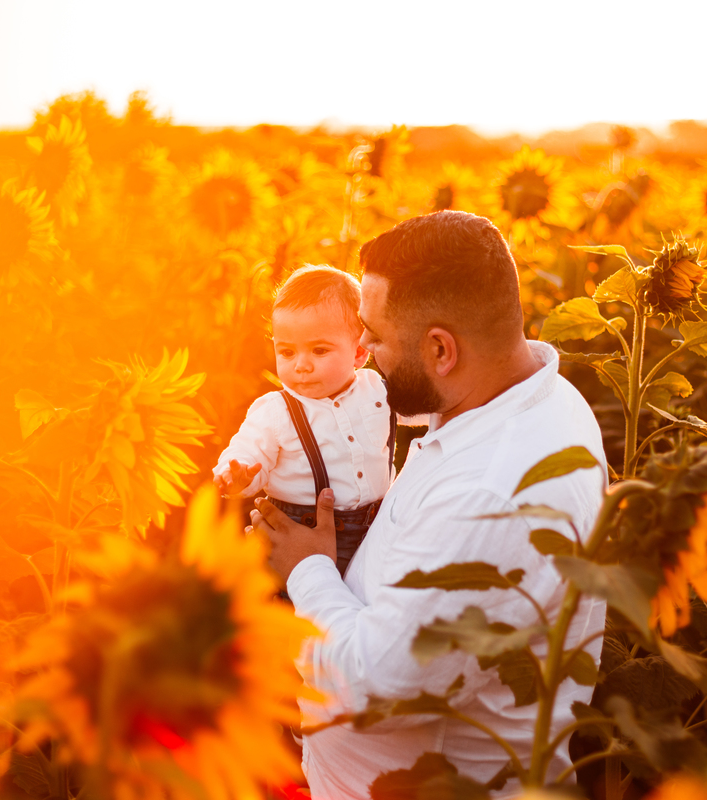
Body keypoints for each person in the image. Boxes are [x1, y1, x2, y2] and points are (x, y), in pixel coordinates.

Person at [249, 211, 608, 797]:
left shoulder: (492, 493)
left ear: (441, 350)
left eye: (377, 337)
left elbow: (380, 688)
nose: (361, 350)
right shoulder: (527, 395)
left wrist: (307, 568)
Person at [215, 265, 395, 576]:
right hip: (301, 535)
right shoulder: (276, 411)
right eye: (286, 352)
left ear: (359, 353)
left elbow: (431, 408)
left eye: (319, 350)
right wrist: (239, 474)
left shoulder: (376, 389)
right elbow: (249, 450)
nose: (301, 365)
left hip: (379, 530)